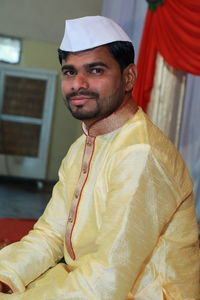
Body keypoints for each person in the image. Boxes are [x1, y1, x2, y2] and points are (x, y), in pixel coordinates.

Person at [0, 15, 199, 300]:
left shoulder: (140, 153)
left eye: (94, 70)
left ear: (128, 77)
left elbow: (108, 278)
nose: (77, 83)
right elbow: (50, 235)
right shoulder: (83, 145)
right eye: (69, 72)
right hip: (88, 280)